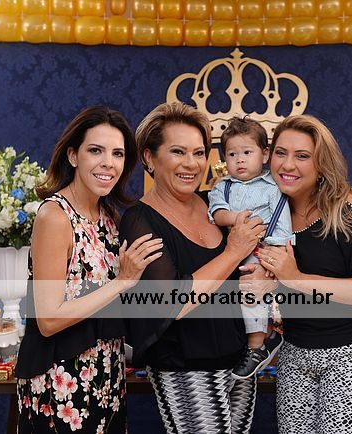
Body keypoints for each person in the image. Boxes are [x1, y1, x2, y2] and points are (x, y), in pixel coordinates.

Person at [119, 102, 265, 434]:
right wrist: (233, 252)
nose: (191, 163)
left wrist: (262, 273)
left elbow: (251, 262)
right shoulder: (139, 220)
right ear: (149, 157)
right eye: (178, 151)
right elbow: (170, 301)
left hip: (239, 361)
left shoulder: (216, 204)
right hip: (184, 368)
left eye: (199, 153)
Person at [15, 106, 163, 433]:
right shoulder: (55, 217)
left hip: (106, 375)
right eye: (96, 150)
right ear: (73, 156)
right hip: (60, 381)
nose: (108, 162)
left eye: (118, 153)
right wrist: (123, 281)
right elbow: (48, 320)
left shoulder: (108, 217)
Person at [245, 114, 352, 434]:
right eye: (281, 153)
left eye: (302, 156)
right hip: (295, 354)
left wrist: (295, 278)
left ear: (322, 164)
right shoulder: (267, 211)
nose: (287, 165)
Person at [208, 116, 293, 380]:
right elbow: (217, 213)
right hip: (232, 249)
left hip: (267, 247)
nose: (240, 160)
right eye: (232, 154)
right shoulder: (223, 186)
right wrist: (236, 218)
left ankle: (256, 346)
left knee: (251, 289)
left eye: (247, 153)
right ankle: (260, 336)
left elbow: (282, 221)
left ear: (264, 154)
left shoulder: (273, 186)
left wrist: (272, 255)